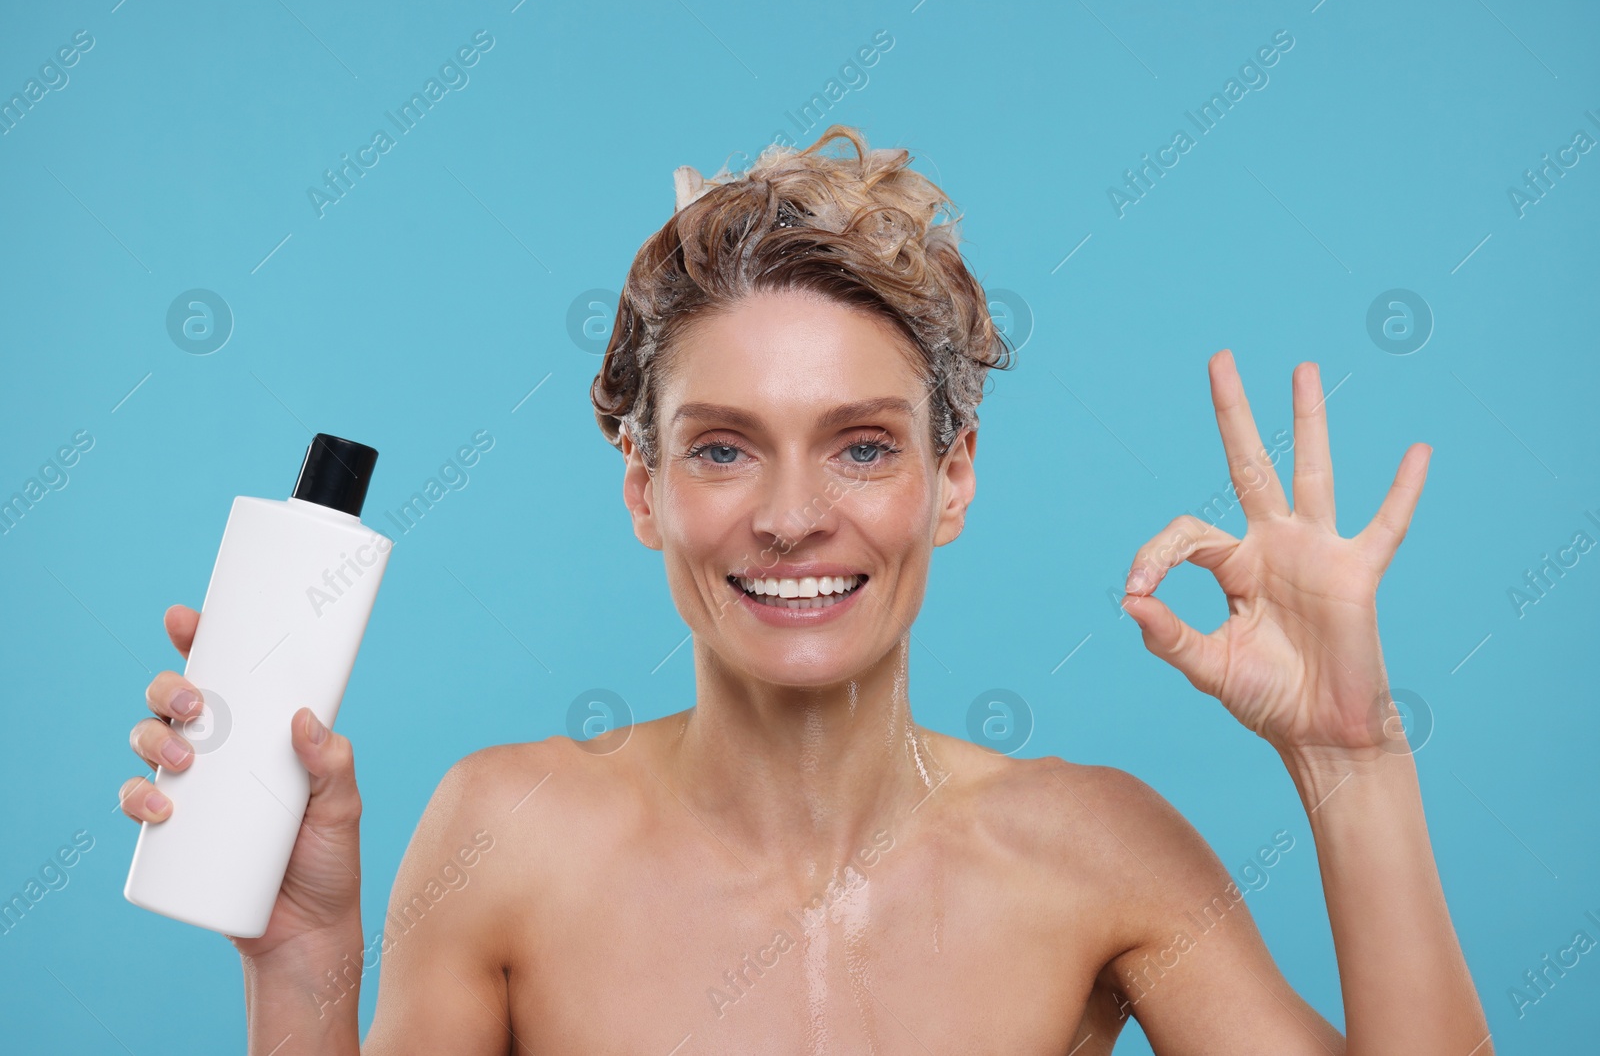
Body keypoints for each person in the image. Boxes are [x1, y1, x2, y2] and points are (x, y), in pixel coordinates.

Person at [121, 125, 1492, 1054]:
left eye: (863, 446)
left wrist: (1349, 758)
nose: (790, 518)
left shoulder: (1101, 854)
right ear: (642, 484)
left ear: (952, 479)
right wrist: (298, 967)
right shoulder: (506, 838)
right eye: (721, 448)